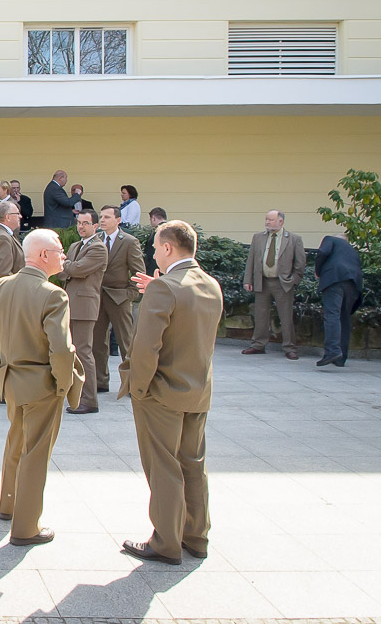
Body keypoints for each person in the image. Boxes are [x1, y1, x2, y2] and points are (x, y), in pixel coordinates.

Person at [119, 220, 222, 565]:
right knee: (193, 464)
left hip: (162, 392)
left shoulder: (165, 287)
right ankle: (196, 536)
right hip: (197, 390)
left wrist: (137, 388)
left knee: (163, 467)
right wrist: (159, 288)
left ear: (168, 248)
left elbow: (145, 346)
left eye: (155, 248)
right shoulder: (209, 284)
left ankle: (165, 542)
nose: (153, 254)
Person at [0, 229, 82, 547]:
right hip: (42, 384)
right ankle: (26, 527)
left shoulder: (1, 286)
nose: (63, 255)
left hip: (13, 381)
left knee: (16, 444)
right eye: (60, 250)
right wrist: (63, 384)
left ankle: (8, 507)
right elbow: (61, 349)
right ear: (44, 255)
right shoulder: (53, 294)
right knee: (35, 454)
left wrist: (3, 366)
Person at [57, 209, 108, 414]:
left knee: (84, 352)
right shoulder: (76, 246)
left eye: (86, 223)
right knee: (72, 351)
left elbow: (76, 269)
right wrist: (69, 267)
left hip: (85, 306)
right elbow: (62, 273)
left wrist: (66, 264)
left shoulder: (98, 248)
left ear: (95, 226)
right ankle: (76, 394)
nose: (81, 226)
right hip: (70, 303)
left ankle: (89, 400)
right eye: (79, 222)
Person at [93, 205, 146, 393]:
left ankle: (133, 383)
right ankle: (100, 381)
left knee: (127, 342)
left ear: (118, 220)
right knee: (97, 343)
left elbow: (138, 271)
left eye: (107, 217)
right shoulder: (95, 240)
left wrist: (130, 294)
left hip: (119, 297)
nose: (102, 220)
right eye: (101, 216)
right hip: (98, 297)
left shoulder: (129, 242)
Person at [242, 210, 306, 360]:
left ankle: (289, 347)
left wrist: (293, 280)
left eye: (270, 219)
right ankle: (258, 345)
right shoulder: (258, 237)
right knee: (261, 315)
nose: (267, 222)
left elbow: (300, 263)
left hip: (282, 283)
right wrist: (248, 280)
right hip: (262, 281)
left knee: (286, 316)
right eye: (266, 219)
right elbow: (251, 260)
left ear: (280, 221)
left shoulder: (294, 239)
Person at [0, 201, 26, 397]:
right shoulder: (2, 237)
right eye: (17, 214)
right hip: (6, 297)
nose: (20, 217)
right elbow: (4, 273)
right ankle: (3, 387)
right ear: (8, 217)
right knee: (6, 343)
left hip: (0, 295)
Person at [315, 233, 363, 368]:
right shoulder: (352, 251)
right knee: (344, 318)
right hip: (353, 283)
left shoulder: (330, 239)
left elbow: (323, 252)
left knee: (332, 315)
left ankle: (332, 351)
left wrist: (318, 271)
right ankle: (341, 357)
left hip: (334, 279)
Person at [144, 207, 169, 276]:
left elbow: (150, 252)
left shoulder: (157, 232)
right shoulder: (171, 231)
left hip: (155, 270)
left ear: (153, 218)